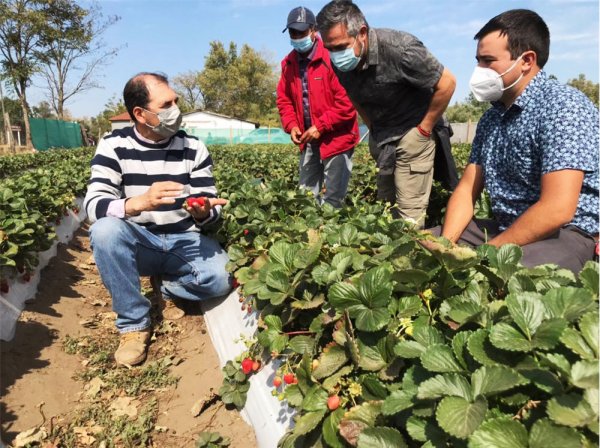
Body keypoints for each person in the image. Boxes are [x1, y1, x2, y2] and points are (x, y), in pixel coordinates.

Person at [83, 72, 231, 367]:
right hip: (140, 242)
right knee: (105, 232)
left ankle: (165, 286)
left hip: (185, 241)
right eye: (166, 104)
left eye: (176, 101)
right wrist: (136, 204)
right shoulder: (113, 146)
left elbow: (210, 204)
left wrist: (204, 212)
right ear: (140, 114)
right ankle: (134, 325)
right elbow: (93, 205)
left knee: (221, 278)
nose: (176, 109)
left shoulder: (193, 148)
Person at [438, 9, 598, 273]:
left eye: (488, 61)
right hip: (507, 228)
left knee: (501, 274)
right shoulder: (492, 118)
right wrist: (446, 246)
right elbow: (467, 189)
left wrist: (485, 255)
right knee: (421, 246)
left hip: (566, 235)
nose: (479, 70)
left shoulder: (564, 107)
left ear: (526, 60)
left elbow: (558, 209)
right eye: (478, 60)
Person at [316, 1, 457, 226]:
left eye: (341, 46)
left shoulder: (401, 50)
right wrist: (372, 127)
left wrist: (423, 130)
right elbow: (354, 96)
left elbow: (447, 83)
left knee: (409, 214)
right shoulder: (340, 64)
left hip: (413, 130)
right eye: (329, 48)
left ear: (362, 33)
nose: (335, 55)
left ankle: (411, 253)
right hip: (383, 135)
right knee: (388, 203)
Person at [277, 6, 359, 208]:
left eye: (302, 32)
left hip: (337, 139)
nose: (297, 36)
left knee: (332, 199)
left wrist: (320, 126)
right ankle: (309, 236)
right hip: (308, 139)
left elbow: (347, 104)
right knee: (305, 197)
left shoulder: (332, 57)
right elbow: (284, 100)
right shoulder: (288, 64)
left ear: (314, 30)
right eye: (293, 32)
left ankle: (330, 237)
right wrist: (292, 125)